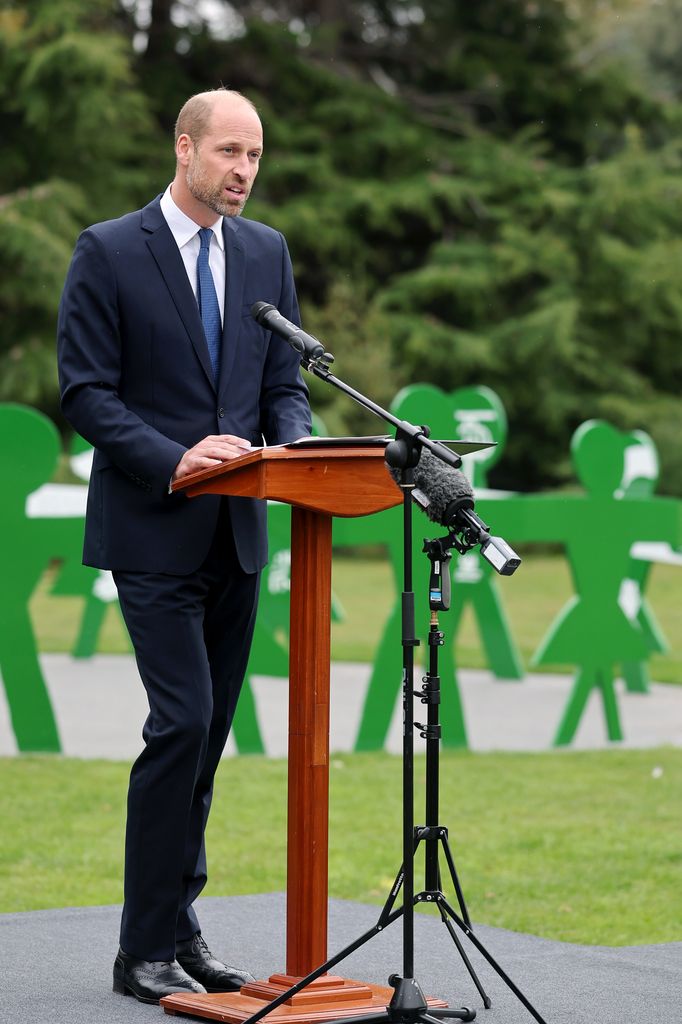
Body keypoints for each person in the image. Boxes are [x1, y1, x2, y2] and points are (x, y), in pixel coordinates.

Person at [57, 88, 312, 1004]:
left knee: (205, 744)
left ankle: (179, 926)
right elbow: (86, 392)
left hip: (241, 535)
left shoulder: (267, 253)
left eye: (256, 156)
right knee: (183, 723)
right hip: (153, 529)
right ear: (185, 148)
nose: (245, 171)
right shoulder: (109, 249)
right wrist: (177, 460)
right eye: (231, 151)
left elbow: (282, 381)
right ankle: (140, 952)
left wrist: (292, 442)